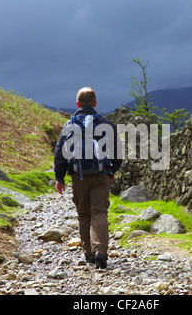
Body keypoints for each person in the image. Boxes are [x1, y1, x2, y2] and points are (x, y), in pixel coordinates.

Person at [54, 87, 122, 269]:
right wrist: (112, 171)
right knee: (99, 213)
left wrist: (59, 178)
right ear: (95, 103)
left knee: (84, 214)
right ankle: (101, 251)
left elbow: (60, 154)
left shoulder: (69, 125)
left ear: (77, 104)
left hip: (79, 177)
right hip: (100, 175)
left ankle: (89, 254)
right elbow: (117, 151)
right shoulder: (105, 123)